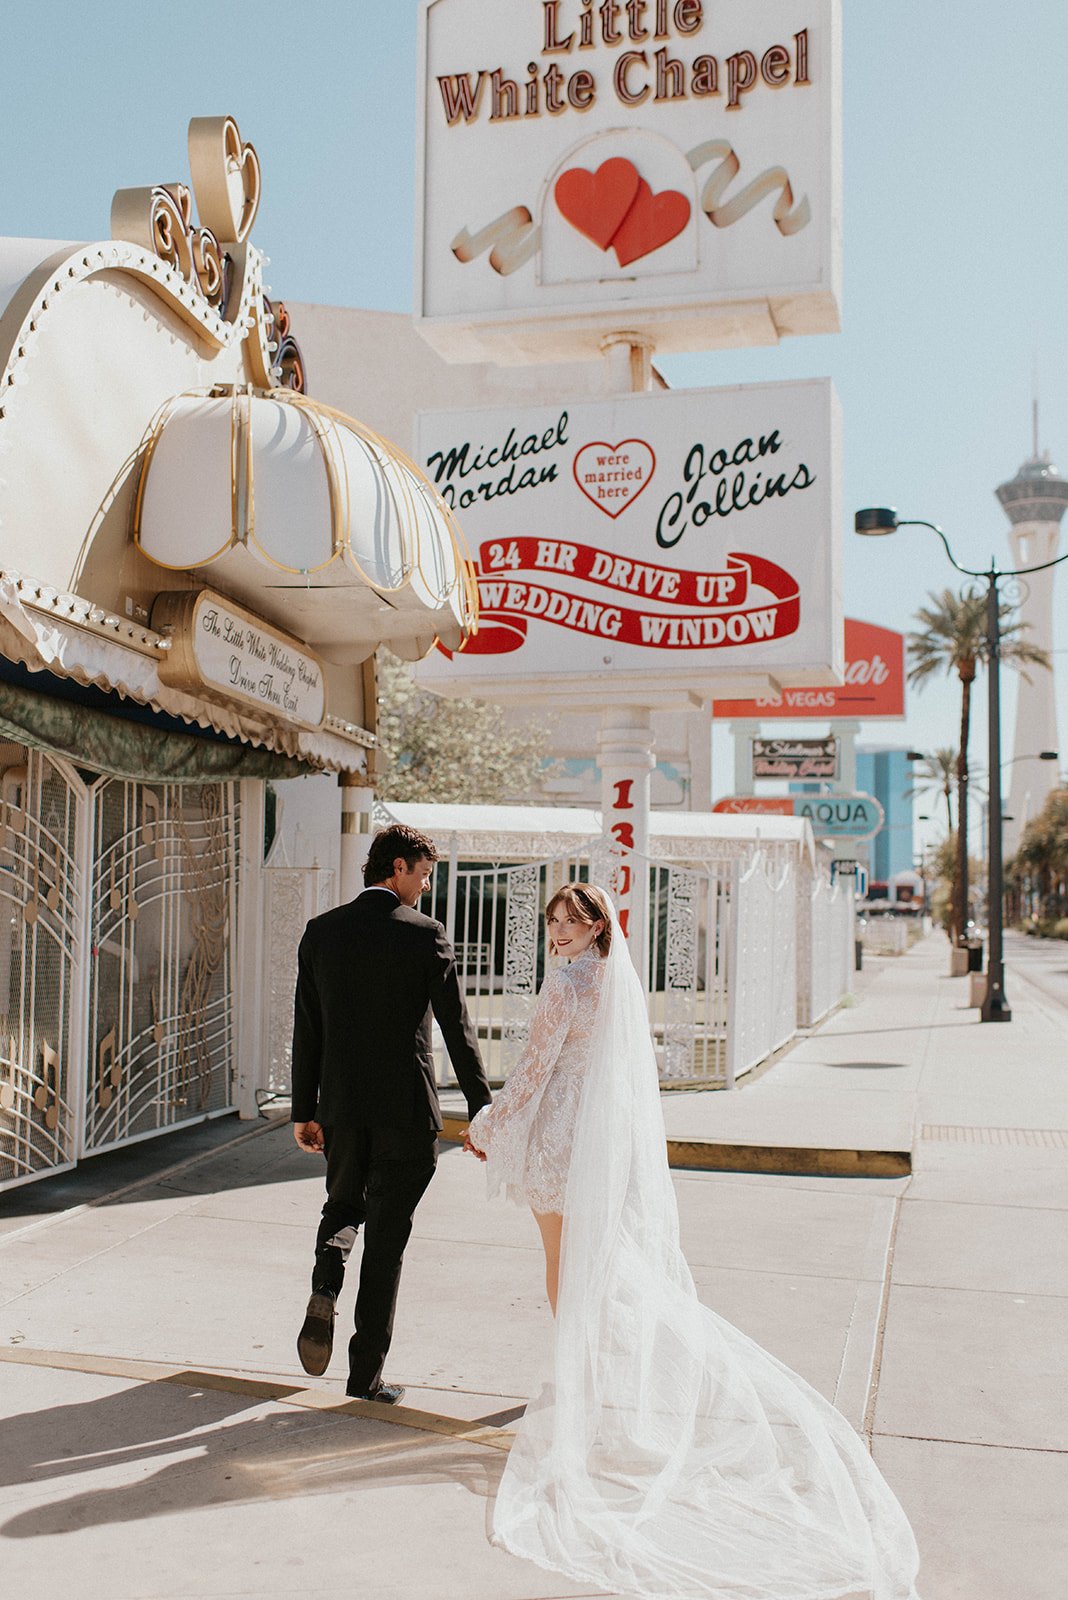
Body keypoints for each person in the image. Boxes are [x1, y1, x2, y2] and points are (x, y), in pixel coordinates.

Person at [466, 882, 922, 1600]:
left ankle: (579, 1377)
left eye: (569, 922)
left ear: (595, 928)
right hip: (602, 1140)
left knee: (562, 1265)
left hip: (560, 1139)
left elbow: (534, 1070)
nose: (557, 933)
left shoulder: (567, 984)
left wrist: (486, 1125)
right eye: (553, 922)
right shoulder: (617, 981)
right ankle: (591, 1371)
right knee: (591, 1264)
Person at [291, 824, 491, 1403]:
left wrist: (307, 1109)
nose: (426, 888)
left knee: (343, 1204)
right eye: (424, 875)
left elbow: (309, 1029)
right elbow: (457, 1026)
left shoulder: (322, 932)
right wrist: (481, 1107)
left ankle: (326, 1280)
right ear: (397, 867)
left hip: (343, 1111)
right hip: (405, 1112)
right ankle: (365, 1375)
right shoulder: (424, 935)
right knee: (387, 1241)